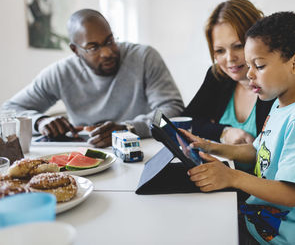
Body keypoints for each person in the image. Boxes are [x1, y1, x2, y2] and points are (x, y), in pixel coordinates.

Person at [184, 12, 295, 244]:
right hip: (260, 223)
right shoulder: (280, 106)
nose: (249, 73)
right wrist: (210, 146)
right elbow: (257, 151)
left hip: (283, 238)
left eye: (259, 65)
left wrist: (232, 177)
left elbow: (292, 194)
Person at [1, 9, 184, 148]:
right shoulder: (60, 73)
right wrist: (40, 121)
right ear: (75, 50)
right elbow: (7, 111)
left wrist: (129, 128)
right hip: (86, 154)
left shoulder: (144, 57)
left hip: (142, 148)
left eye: (109, 41)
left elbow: (173, 110)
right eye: (93, 47)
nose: (107, 52)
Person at [183, 0, 295, 146]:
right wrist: (223, 132)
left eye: (238, 46)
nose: (230, 59)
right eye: (220, 50)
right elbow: (184, 122)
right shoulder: (218, 75)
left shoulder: (288, 81)